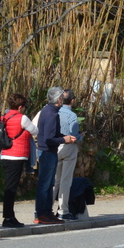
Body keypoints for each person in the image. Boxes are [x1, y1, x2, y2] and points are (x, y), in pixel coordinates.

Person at [33, 87, 75, 225]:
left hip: (49, 151)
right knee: (45, 184)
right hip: (47, 152)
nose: (63, 99)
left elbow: (52, 135)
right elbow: (49, 138)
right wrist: (65, 140)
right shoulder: (51, 114)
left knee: (50, 183)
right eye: (62, 97)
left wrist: (64, 137)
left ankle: (47, 212)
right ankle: (41, 214)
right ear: (58, 99)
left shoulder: (48, 110)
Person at [0, 93, 36, 228]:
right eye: (24, 107)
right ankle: (8, 217)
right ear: (20, 107)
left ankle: (9, 216)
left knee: (10, 186)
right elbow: (35, 130)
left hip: (5, 154)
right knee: (11, 188)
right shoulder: (22, 118)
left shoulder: (5, 116)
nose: (25, 109)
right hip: (17, 155)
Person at [54, 89, 83, 221]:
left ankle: (46, 209)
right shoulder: (72, 116)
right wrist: (81, 136)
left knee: (55, 180)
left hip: (55, 146)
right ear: (72, 101)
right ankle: (63, 210)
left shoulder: (55, 111)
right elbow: (74, 136)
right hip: (68, 147)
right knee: (66, 180)